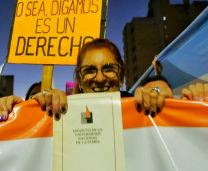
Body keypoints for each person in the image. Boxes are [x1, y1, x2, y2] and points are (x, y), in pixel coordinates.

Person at [32, 38, 173, 120]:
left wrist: (167, 107)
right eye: (89, 70)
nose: (99, 78)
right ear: (79, 81)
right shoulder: (62, 115)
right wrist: (22, 110)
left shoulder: (144, 112)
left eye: (109, 69)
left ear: (121, 77)